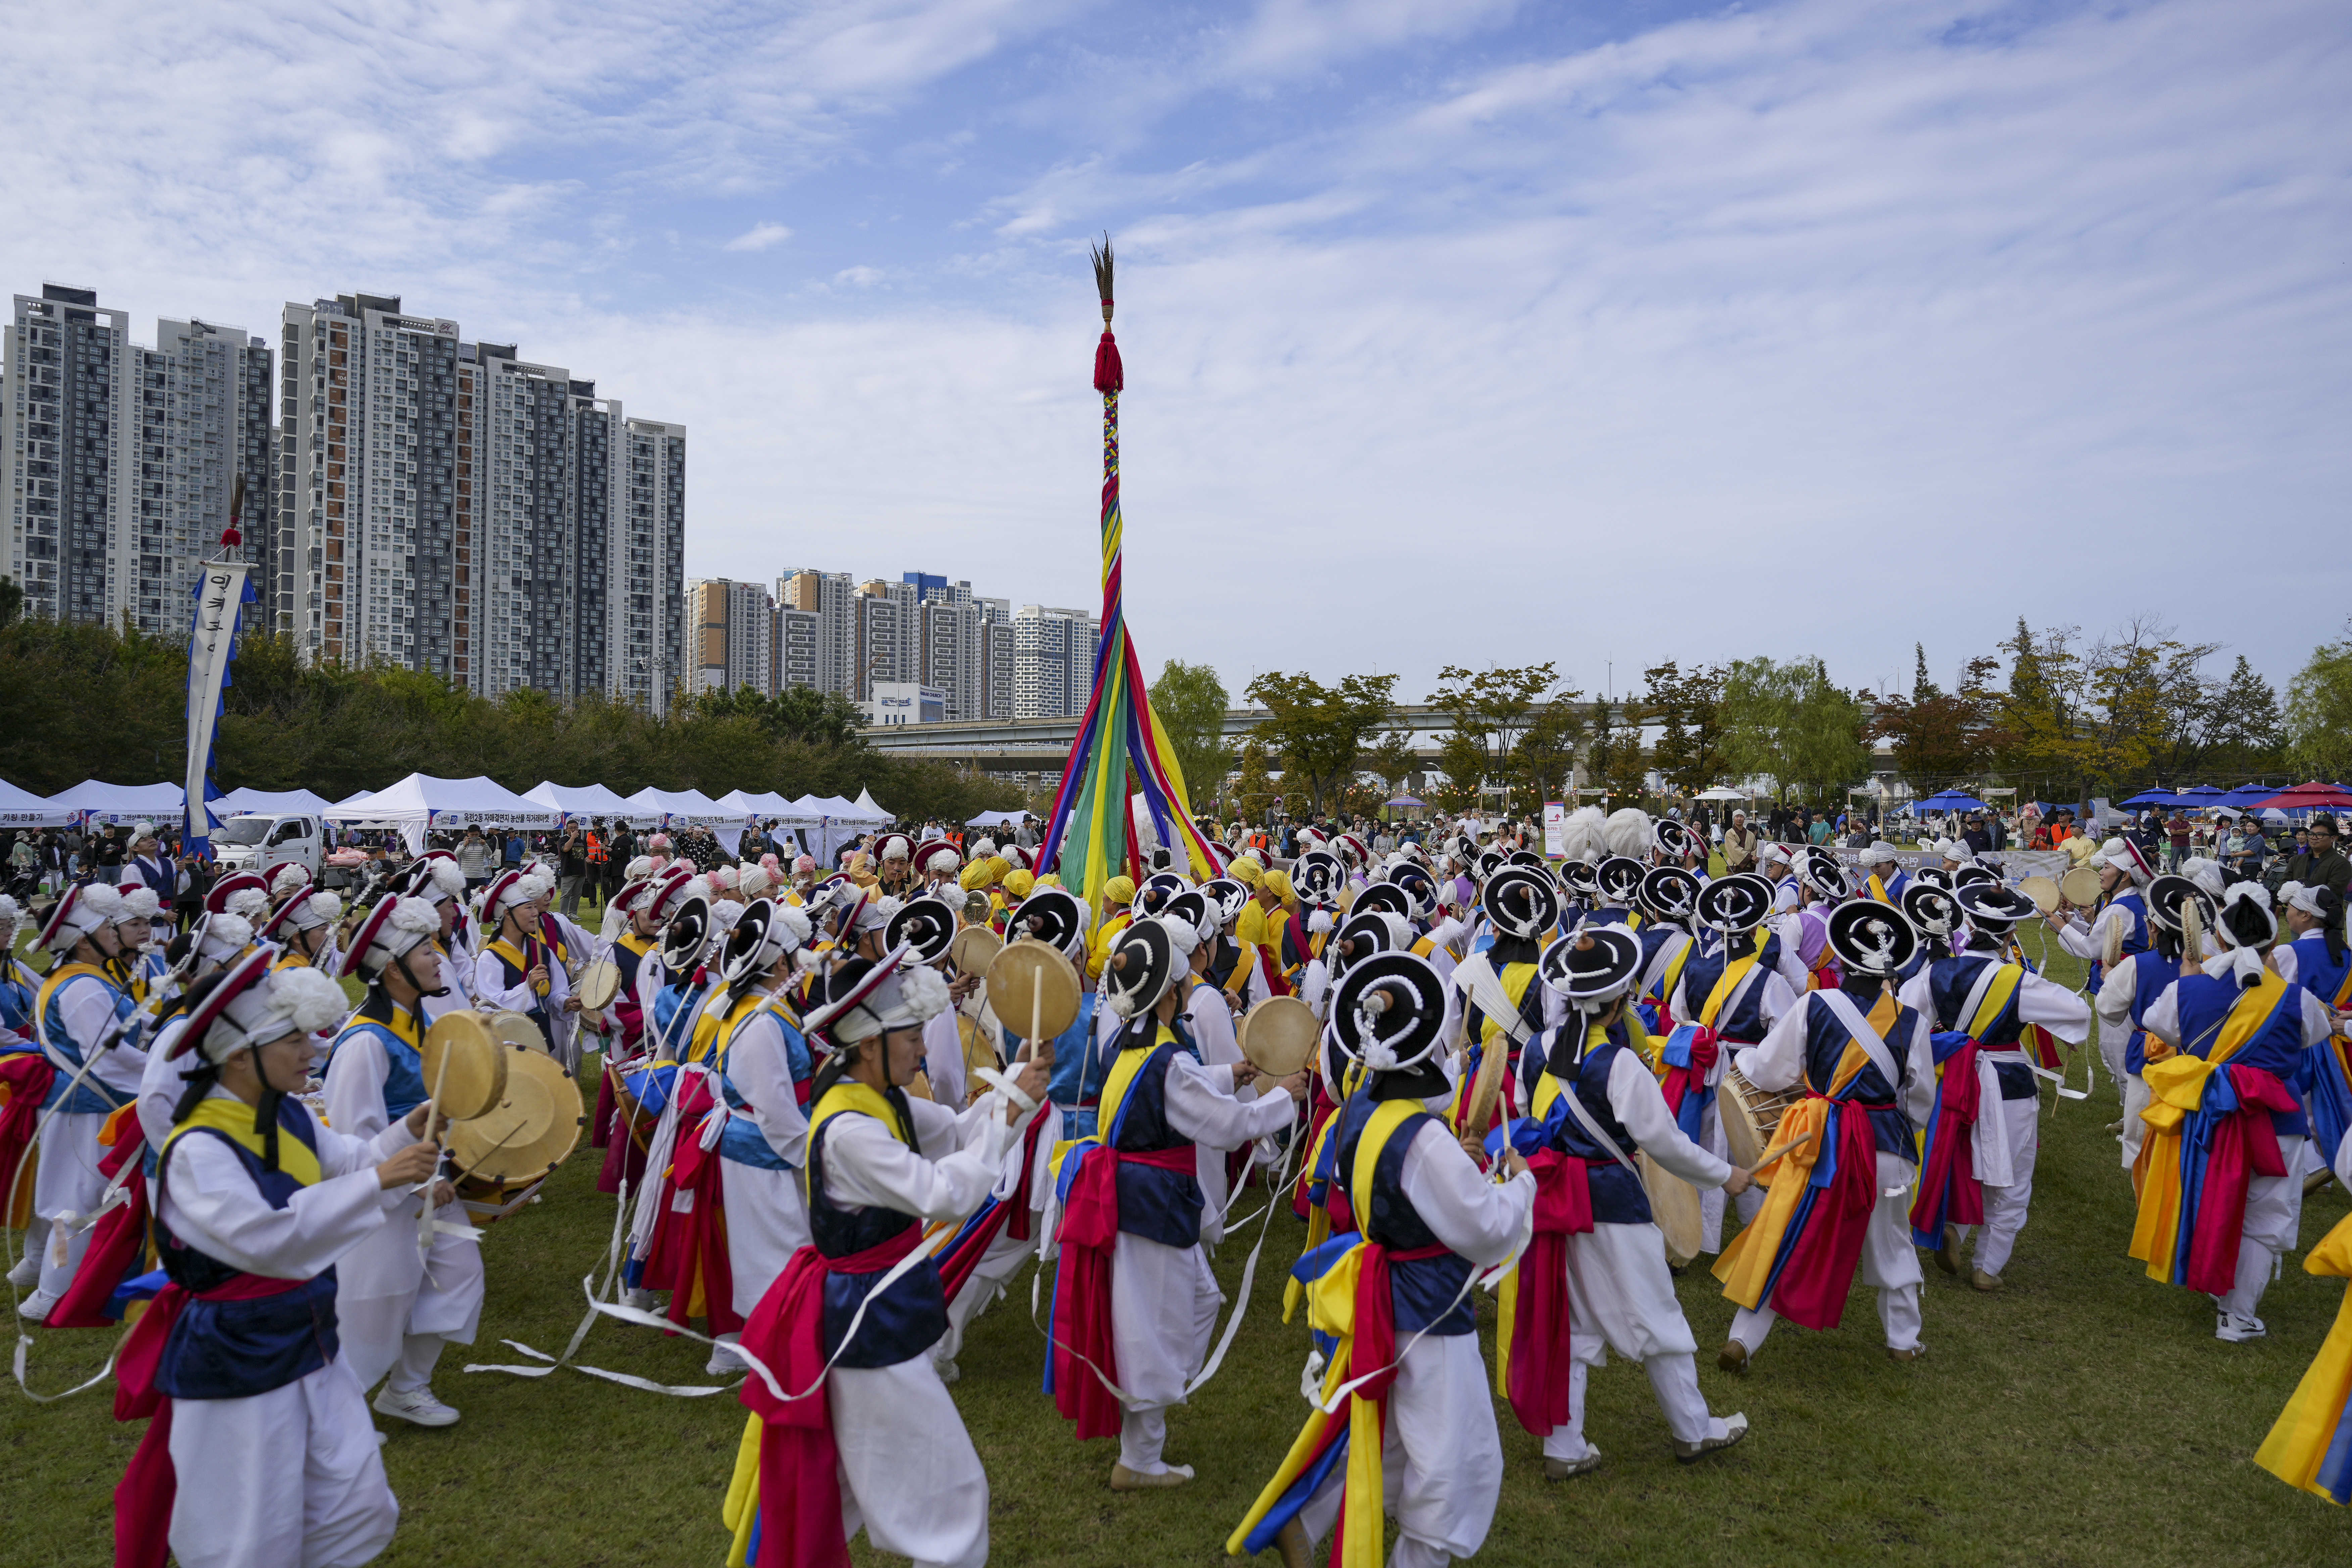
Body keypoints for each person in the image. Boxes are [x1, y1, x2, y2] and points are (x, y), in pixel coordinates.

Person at [109, 951, 439, 1568]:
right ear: (240, 1055)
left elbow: (351, 1161)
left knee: (359, 1502)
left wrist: (408, 1131)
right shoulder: (198, 1146)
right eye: (294, 1040)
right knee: (250, 1530)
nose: (312, 1051)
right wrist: (380, 1181)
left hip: (309, 1333)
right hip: (238, 1353)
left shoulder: (284, 1112)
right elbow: (267, 1239)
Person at [724, 949, 1046, 1568]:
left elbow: (955, 1130)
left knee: (856, 1487)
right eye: (913, 1037)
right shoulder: (851, 1129)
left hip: (872, 1312)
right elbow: (944, 1194)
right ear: (870, 1045)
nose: (924, 1050)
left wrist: (1014, 1088)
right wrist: (1010, 1113)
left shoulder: (878, 1097)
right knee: (952, 1494)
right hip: (866, 1322)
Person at [1230, 949, 1531, 1568]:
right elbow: (1486, 1229)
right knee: (1455, 1463)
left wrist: (1460, 1165)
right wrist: (1519, 1183)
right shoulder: (1421, 1136)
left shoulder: (1359, 1114)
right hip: (1429, 1310)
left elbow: (1417, 1194)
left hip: (1384, 1300)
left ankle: (1308, 1518)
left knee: (1388, 1431)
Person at [1049, 916, 1306, 1489]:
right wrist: (1283, 1099)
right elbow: (1225, 1124)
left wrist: (1229, 1073)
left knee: (1193, 1301)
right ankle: (1140, 1451)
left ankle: (1149, 1405)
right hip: (1151, 1204)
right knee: (1157, 1321)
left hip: (1139, 1199)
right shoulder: (1168, 1061)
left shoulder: (1128, 1043)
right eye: (1183, 982)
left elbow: (1178, 1083)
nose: (1188, 988)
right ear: (1169, 993)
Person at [1510, 925, 1753, 1477]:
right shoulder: (1619, 1064)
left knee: (1572, 1321)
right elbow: (1663, 1142)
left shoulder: (1534, 1051)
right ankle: (1692, 1429)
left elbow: (1527, 1115)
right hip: (1612, 1201)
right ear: (1617, 1002)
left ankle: (1564, 1447)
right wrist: (1726, 1175)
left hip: (1552, 1202)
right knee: (1658, 1314)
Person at [1717, 901, 1929, 1370]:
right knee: (1893, 1240)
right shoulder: (1912, 1021)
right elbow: (1920, 1101)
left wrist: (1743, 1060)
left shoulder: (1813, 1005)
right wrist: (1894, 1128)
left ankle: (1743, 1339)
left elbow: (1771, 1071)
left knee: (1786, 1232)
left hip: (1817, 1143)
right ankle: (1903, 1340)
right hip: (1886, 1147)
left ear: (1842, 957)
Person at [2131, 883, 2332, 1341]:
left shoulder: (2185, 990)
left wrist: (2192, 978)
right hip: (2275, 1120)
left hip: (2210, 1117)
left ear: (2219, 939)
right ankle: (2237, 1316)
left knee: (2211, 1200)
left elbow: (2158, 1025)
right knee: (2267, 1215)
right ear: (2274, 941)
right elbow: (2316, 1034)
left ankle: (2218, 1286)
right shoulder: (2296, 999)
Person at [321, 894, 483, 1427]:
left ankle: (407, 1388)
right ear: (393, 968)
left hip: (426, 1183)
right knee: (374, 1308)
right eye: (426, 952)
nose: (438, 960)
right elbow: (351, 1138)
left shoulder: (418, 1023)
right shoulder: (364, 1042)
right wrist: (413, 1184)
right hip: (382, 1194)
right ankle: (336, 1415)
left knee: (459, 1274)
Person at [1905, 883, 2091, 1291]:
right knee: (2012, 1174)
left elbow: (1903, 1016)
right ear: (2011, 934)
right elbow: (2078, 1012)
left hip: (1951, 1081)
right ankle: (1987, 1267)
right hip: (2007, 1083)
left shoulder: (1936, 972)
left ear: (1970, 925)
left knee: (1959, 1156)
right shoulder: (2019, 981)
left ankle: (1954, 1226)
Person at [14, 884, 144, 1321]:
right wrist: (164, 1068)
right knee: (76, 1201)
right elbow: (107, 1056)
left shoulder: (78, 978)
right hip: (84, 1108)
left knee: (72, 1197)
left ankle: (45, 1279)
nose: (114, 932)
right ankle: (50, 1295)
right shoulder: (83, 986)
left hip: (79, 1105)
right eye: (106, 927)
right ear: (83, 941)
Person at [2285, 815, 2351, 904]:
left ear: (2333, 838)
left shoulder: (2341, 863)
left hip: (2325, 911)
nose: (2314, 838)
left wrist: (2301, 898)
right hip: (2295, 909)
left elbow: (2333, 890)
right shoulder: (2297, 860)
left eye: (2320, 835)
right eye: (2311, 834)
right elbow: (2284, 885)